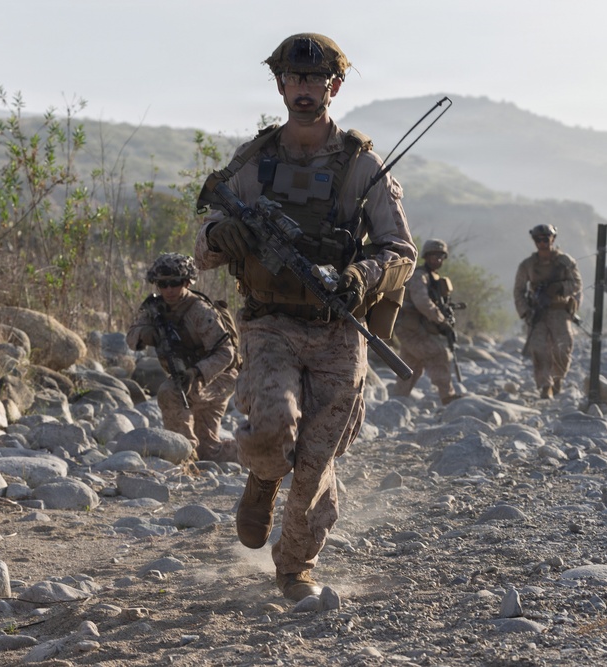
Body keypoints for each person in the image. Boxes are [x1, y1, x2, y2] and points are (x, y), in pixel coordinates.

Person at [193, 33, 416, 601]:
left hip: (339, 329)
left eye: (317, 80)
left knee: (316, 464)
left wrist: (359, 276)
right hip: (270, 324)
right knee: (270, 426)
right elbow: (204, 248)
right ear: (281, 85)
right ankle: (262, 478)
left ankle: (293, 568)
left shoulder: (362, 163)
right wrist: (224, 235)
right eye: (295, 79)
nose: (305, 90)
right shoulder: (254, 161)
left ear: (333, 87)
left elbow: (401, 252)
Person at [126, 253, 239, 464]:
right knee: (209, 452)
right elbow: (131, 339)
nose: (169, 290)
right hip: (189, 374)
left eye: (175, 283)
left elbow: (226, 353)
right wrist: (148, 333)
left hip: (219, 376)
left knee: (171, 392)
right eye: (163, 284)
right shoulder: (155, 309)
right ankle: (256, 453)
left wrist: (196, 373)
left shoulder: (200, 311)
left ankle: (183, 457)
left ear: (187, 282)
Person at [514, 224, 583, 399]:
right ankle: (546, 386)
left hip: (560, 311)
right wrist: (525, 311)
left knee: (563, 348)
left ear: (553, 239)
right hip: (537, 313)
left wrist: (559, 287)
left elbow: (576, 284)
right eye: (538, 239)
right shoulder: (528, 265)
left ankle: (558, 379)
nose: (542, 243)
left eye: (546, 239)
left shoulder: (565, 261)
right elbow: (519, 290)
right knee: (538, 349)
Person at [390, 239, 461, 405]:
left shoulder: (432, 277)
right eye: (434, 256)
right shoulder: (419, 276)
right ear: (426, 256)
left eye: (441, 256)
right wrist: (441, 321)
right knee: (438, 354)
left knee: (411, 366)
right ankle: (447, 396)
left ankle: (397, 401)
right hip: (410, 329)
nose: (438, 260)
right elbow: (422, 302)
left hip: (414, 329)